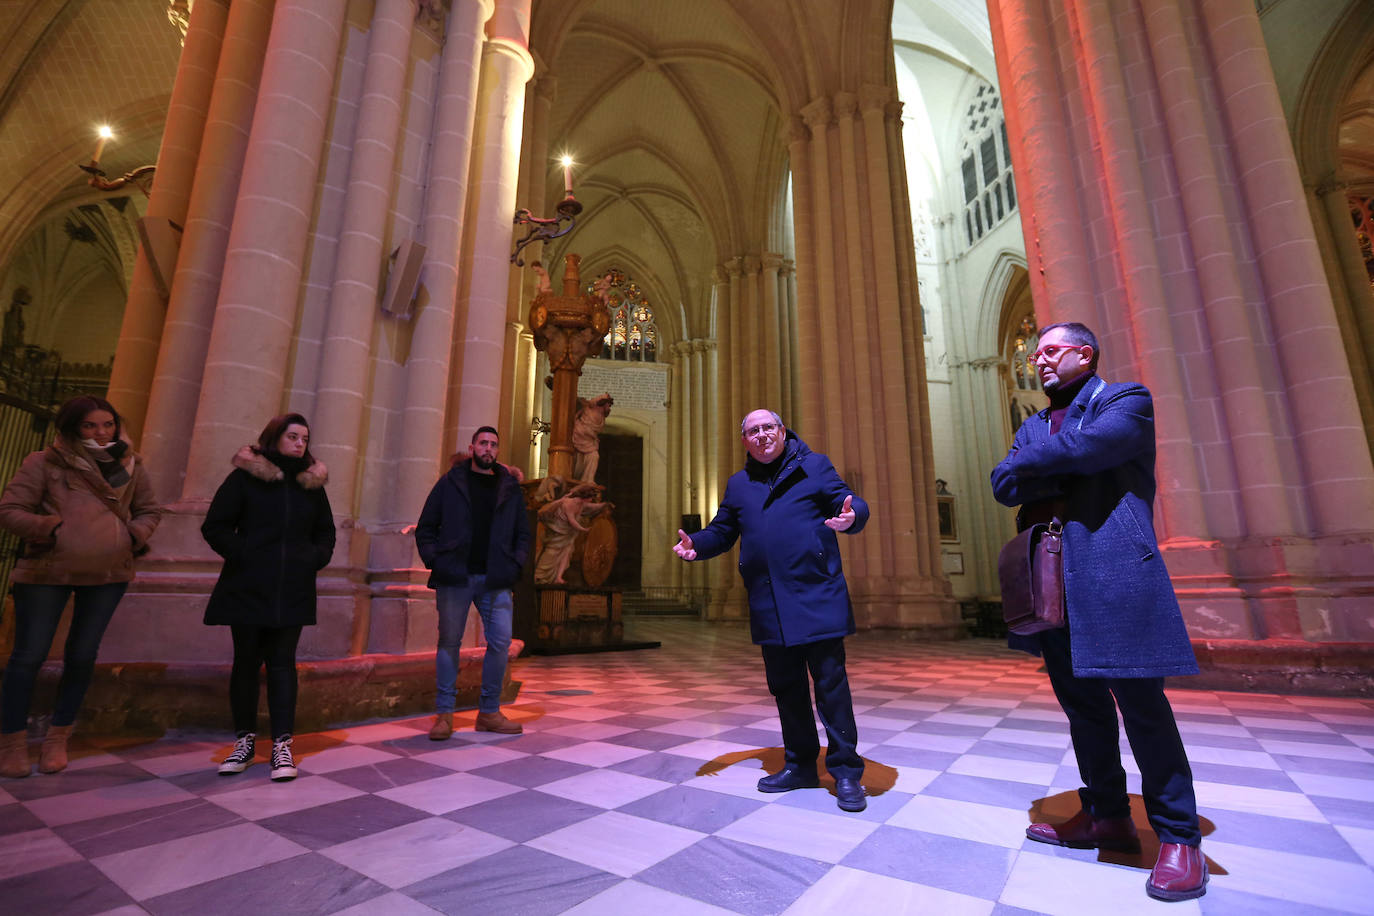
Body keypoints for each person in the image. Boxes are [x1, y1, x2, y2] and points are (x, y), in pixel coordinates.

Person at [990, 321, 1206, 902]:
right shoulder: (1034, 423)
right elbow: (1001, 484)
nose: (1040, 361)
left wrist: (1035, 462)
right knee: (1083, 709)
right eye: (1037, 354)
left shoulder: (1126, 399)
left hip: (1113, 569)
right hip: (1050, 582)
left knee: (1142, 708)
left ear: (1086, 354)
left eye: (1052, 350)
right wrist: (1040, 460)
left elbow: (1094, 448)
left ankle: (1181, 838)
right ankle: (1106, 814)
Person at [673, 408, 870, 812]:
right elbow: (723, 531)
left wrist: (853, 517)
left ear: (782, 432)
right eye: (753, 431)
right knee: (787, 690)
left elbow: (846, 501)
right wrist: (697, 544)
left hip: (817, 596)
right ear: (745, 441)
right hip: (769, 603)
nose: (762, 435)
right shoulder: (739, 485)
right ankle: (800, 765)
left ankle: (847, 773)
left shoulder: (813, 466)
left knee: (831, 690)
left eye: (768, 428)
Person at [0, 395, 162, 778]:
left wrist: (131, 537)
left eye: (107, 424)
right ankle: (12, 743)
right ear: (73, 428)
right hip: (48, 570)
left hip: (106, 573)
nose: (100, 432)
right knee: (28, 656)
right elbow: (9, 510)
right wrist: (53, 529)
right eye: (90, 426)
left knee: (83, 654)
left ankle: (58, 738)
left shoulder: (129, 465)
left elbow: (150, 509)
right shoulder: (44, 462)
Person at [202, 413, 335, 781]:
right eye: (292, 436)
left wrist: (312, 558)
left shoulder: (312, 484)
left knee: (282, 664)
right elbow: (214, 526)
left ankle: (282, 747)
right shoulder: (246, 477)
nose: (299, 444)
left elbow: (326, 532)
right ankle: (244, 742)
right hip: (248, 584)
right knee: (246, 662)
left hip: (292, 587)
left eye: (304, 438)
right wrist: (247, 554)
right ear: (275, 437)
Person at [415, 426, 531, 739]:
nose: (488, 449)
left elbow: (523, 532)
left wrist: (514, 562)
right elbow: (426, 527)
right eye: (483, 443)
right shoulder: (450, 482)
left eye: (493, 444)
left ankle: (490, 712)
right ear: (472, 447)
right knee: (450, 643)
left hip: (495, 577)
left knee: (500, 642)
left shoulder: (509, 486)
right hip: (456, 575)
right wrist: (435, 560)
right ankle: (444, 716)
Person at [534, 481, 612, 585]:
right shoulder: (569, 503)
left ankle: (558, 577)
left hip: (568, 534)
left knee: (566, 553)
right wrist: (584, 529)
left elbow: (593, 507)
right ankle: (540, 575)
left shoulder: (582, 503)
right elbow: (572, 521)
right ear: (586, 496)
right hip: (558, 532)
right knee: (552, 552)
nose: (592, 500)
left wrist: (605, 504)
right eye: (591, 497)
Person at [572, 393, 612, 482]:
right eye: (608, 405)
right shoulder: (587, 410)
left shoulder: (601, 417)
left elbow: (594, 431)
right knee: (582, 458)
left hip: (589, 441)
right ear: (602, 404)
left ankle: (587, 479)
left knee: (594, 456)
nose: (609, 408)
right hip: (580, 436)